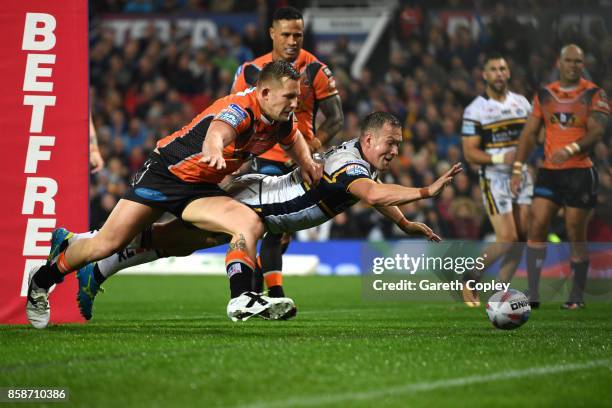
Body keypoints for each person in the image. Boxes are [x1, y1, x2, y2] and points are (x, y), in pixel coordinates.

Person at [56, 112, 461, 322]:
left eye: (398, 145)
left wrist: (405, 223)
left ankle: (96, 261)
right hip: (253, 202)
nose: (394, 152)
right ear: (370, 139)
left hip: (263, 209)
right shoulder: (349, 162)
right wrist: (425, 192)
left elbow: (371, 193)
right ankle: (85, 249)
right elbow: (370, 193)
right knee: (170, 239)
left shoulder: (363, 160)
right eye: (391, 144)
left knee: (172, 243)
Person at [26, 61, 323, 328]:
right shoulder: (241, 108)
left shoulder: (282, 119)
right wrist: (214, 148)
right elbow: (218, 130)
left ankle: (242, 297)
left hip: (199, 188)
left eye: (296, 96)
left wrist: (307, 162)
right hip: (164, 174)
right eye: (289, 97)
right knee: (105, 245)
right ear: (265, 93)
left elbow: (293, 138)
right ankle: (41, 280)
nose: (295, 103)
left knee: (247, 223)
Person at [231, 6, 343, 299]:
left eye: (298, 35)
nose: (293, 41)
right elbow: (234, 113)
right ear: (272, 34)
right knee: (270, 225)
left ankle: (256, 281)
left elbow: (336, 118)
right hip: (264, 158)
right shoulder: (250, 71)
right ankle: (275, 293)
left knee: (281, 233)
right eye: (286, 35)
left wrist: (315, 145)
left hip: (300, 162)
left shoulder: (316, 69)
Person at [511, 44, 609, 309]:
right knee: (537, 225)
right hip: (549, 173)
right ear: (559, 62)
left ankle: (576, 297)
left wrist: (572, 148)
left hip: (580, 172)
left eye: (578, 62)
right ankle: (533, 294)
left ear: (582, 64)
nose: (573, 65)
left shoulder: (594, 94)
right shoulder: (545, 95)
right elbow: (530, 134)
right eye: (569, 60)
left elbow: (597, 131)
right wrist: (518, 168)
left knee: (575, 233)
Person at [460, 53, 533, 307]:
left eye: (503, 68)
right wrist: (503, 157)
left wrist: (525, 163)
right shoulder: (475, 110)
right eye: (494, 69)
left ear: (508, 73)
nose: (499, 73)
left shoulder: (522, 104)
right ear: (485, 75)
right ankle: (470, 277)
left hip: (521, 174)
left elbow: (533, 135)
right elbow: (470, 153)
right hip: (494, 178)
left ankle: (500, 295)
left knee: (522, 237)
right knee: (507, 238)